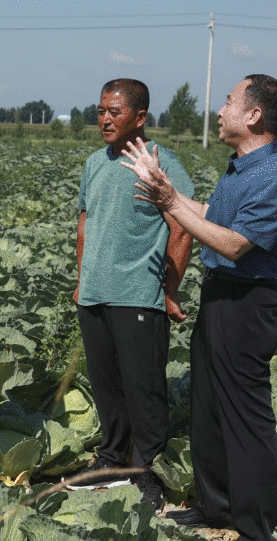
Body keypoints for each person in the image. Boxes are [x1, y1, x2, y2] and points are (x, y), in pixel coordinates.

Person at [123, 74, 277, 540]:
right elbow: (210, 216)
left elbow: (236, 243)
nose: (220, 111)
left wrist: (170, 204)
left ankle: (256, 520)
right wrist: (165, 190)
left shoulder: (276, 174)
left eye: (228, 102)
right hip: (221, 294)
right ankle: (216, 507)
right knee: (209, 406)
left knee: (244, 410)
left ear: (254, 115)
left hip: (250, 301)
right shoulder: (241, 167)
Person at [66, 79, 193, 511]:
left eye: (114, 112)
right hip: (95, 292)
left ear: (139, 118)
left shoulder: (163, 163)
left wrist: (169, 288)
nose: (104, 119)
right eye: (100, 110)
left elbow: (182, 227)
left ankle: (148, 469)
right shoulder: (94, 163)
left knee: (145, 388)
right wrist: (83, 279)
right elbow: (85, 223)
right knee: (106, 386)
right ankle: (110, 458)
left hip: (139, 293)